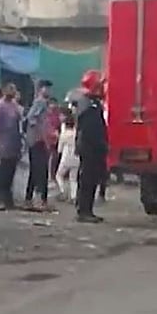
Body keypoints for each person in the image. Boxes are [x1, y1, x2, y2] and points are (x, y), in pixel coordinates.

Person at [74, 70, 108, 223]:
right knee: (87, 181)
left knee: (90, 180)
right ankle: (84, 211)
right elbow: (91, 131)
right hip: (90, 149)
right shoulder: (89, 105)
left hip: (91, 148)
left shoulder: (89, 103)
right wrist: (102, 145)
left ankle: (86, 210)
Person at [0, 83, 24, 210]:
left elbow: (20, 123)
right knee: (0, 175)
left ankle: (8, 201)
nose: (13, 91)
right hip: (1, 146)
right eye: (10, 89)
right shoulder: (0, 107)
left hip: (13, 145)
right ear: (4, 91)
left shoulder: (14, 106)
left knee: (10, 174)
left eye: (14, 89)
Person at [22, 79, 54, 210]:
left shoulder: (43, 103)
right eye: (46, 88)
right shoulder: (40, 102)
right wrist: (41, 132)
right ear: (40, 89)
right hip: (37, 141)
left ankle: (30, 199)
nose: (49, 91)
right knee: (41, 171)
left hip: (37, 141)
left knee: (36, 171)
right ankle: (41, 200)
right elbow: (31, 118)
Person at [55, 109, 78, 203]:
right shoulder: (77, 134)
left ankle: (62, 191)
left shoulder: (64, 135)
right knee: (73, 178)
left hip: (66, 156)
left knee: (59, 175)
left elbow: (59, 149)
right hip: (77, 157)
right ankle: (74, 196)